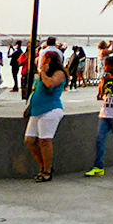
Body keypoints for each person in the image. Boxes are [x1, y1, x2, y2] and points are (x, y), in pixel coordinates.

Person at [23, 49, 67, 182]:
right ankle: (44, 165)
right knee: (29, 140)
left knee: (45, 140)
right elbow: (37, 91)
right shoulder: (43, 75)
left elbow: (50, 84)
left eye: (44, 59)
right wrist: (30, 107)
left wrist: (42, 71)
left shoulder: (59, 74)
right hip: (37, 110)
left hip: (50, 110)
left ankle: (46, 171)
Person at [85, 55, 113, 177]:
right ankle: (98, 166)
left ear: (112, 66)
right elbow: (101, 95)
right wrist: (101, 83)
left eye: (106, 65)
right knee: (99, 139)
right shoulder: (105, 79)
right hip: (104, 113)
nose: (105, 67)